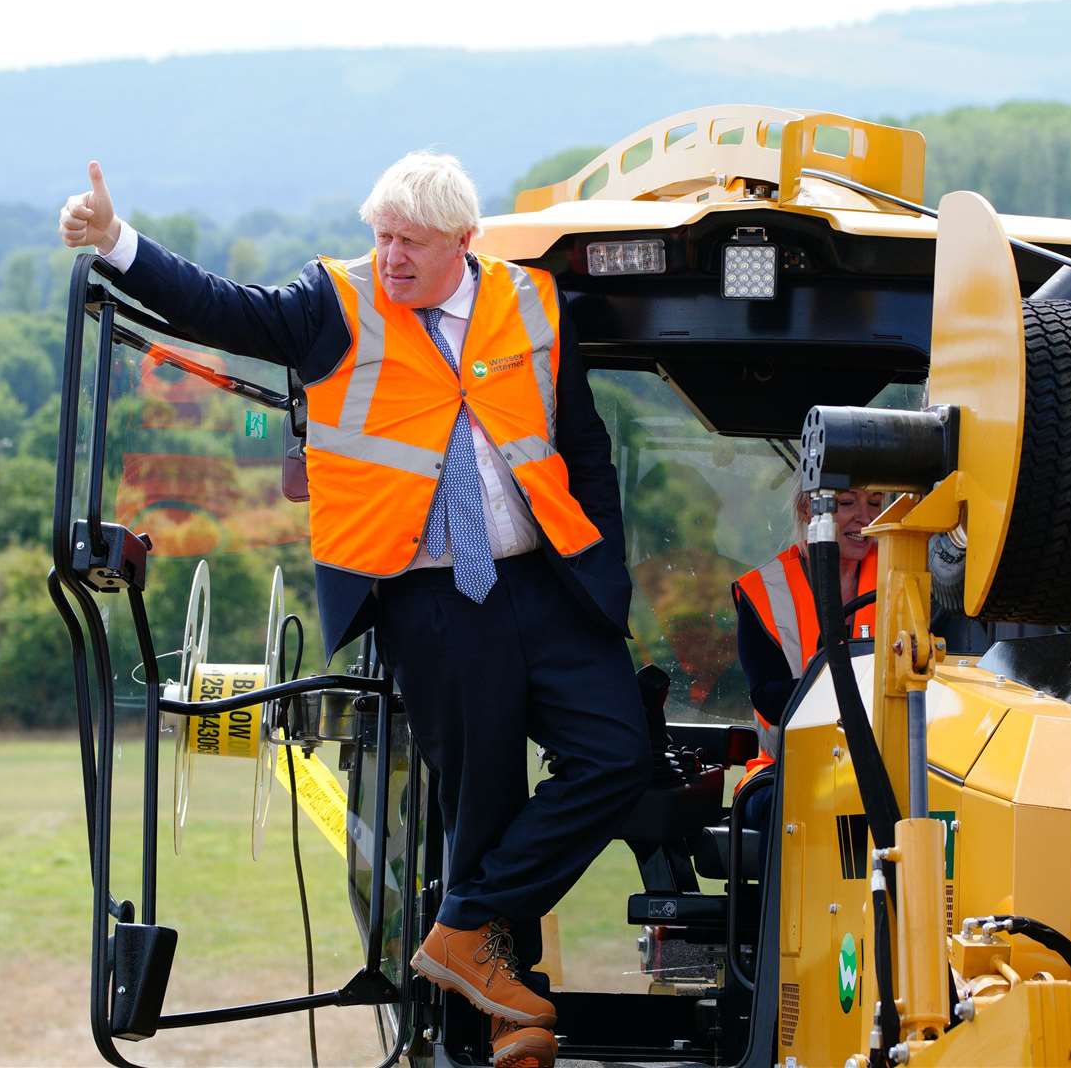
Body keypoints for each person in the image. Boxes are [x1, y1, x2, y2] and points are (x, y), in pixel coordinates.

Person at [60, 154, 651, 1067]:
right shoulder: (335, 301)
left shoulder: (534, 304)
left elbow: (584, 445)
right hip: (432, 597)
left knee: (618, 754)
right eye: (381, 236)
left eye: (410, 242)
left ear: (465, 240)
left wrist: (603, 573)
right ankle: (506, 1019)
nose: (390, 257)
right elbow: (225, 309)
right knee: (480, 802)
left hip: (548, 582)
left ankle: (464, 930)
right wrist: (118, 242)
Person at [730, 485, 881, 809]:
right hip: (786, 768)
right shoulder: (763, 592)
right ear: (805, 509)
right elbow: (769, 698)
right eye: (846, 503)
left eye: (876, 503)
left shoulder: (906, 576)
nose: (865, 517)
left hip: (888, 766)